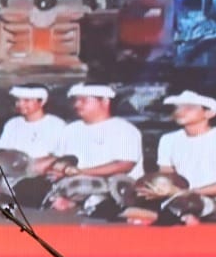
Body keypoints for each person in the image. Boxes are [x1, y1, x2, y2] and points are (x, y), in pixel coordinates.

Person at [128, 90, 216, 225]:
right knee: (127, 198)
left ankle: (166, 216)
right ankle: (172, 216)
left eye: (189, 108)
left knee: (190, 203)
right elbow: (167, 175)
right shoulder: (168, 139)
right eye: (177, 108)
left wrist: (189, 192)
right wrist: (159, 188)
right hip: (175, 197)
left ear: (209, 113)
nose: (180, 111)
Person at [42, 84, 143, 217]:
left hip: (115, 185)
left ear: (105, 101)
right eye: (75, 100)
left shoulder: (125, 129)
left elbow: (125, 165)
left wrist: (82, 172)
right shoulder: (70, 129)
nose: (77, 104)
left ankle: (90, 202)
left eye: (84, 100)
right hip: (76, 182)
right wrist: (58, 170)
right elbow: (62, 159)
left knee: (83, 185)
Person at [0, 84, 66, 168]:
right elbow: (2, 150)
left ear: (42, 102)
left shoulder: (57, 125)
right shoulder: (12, 123)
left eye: (26, 100)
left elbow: (60, 155)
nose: (20, 104)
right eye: (18, 100)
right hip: (10, 168)